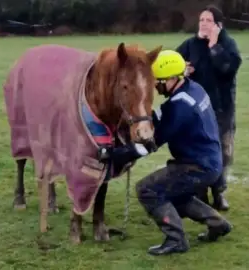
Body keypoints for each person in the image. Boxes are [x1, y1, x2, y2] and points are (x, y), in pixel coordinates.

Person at [99, 50, 232, 256]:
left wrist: (116, 154)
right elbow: (159, 116)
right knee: (175, 193)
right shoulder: (193, 89)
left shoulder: (179, 107)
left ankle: (176, 239)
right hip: (210, 161)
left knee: (148, 190)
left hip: (196, 166)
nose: (157, 87)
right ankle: (217, 223)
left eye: (159, 82)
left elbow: (150, 145)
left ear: (173, 78)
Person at [176, 4, 242, 211]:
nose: (204, 24)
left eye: (208, 21)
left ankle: (219, 193)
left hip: (221, 109)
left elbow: (227, 69)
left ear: (218, 25)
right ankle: (199, 192)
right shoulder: (190, 45)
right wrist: (182, 70)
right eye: (201, 20)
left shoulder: (228, 45)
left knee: (222, 152)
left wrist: (214, 45)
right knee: (197, 151)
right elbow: (172, 64)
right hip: (196, 111)